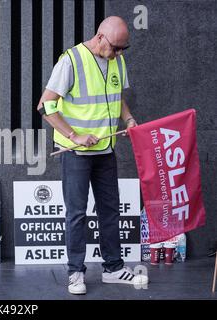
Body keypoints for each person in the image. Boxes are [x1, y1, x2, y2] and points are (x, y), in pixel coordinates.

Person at [37, 16, 148, 295]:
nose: (119, 54)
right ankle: (75, 272)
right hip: (75, 152)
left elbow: (118, 97)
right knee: (76, 213)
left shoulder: (117, 60)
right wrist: (75, 136)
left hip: (105, 150)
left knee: (110, 210)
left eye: (124, 49)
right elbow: (45, 106)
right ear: (100, 37)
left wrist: (129, 119)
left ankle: (113, 268)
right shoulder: (70, 61)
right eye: (115, 48)